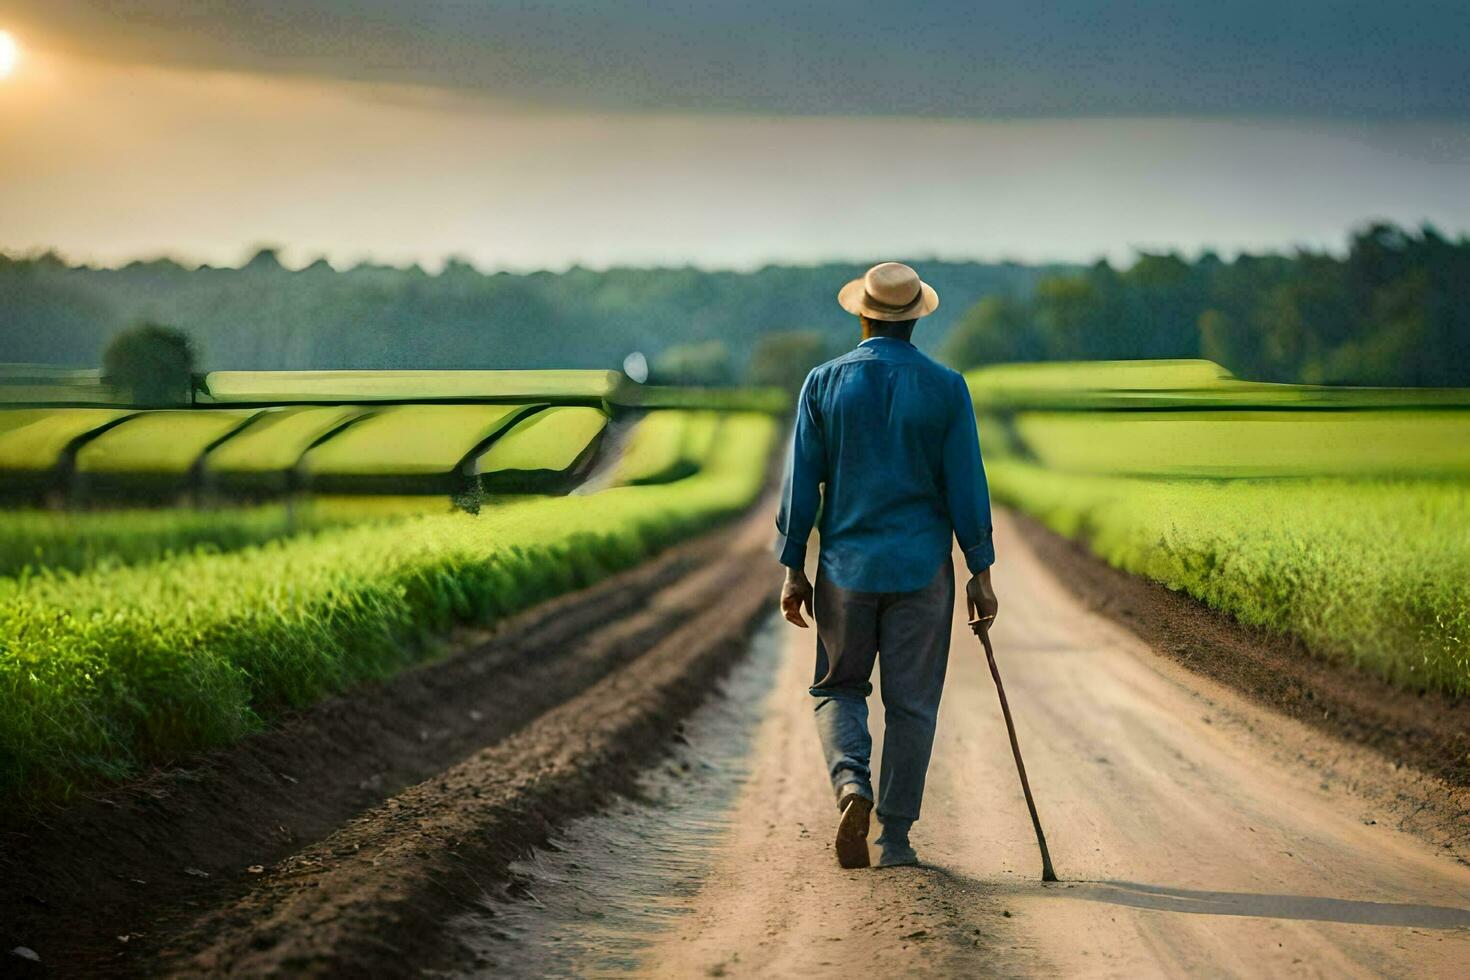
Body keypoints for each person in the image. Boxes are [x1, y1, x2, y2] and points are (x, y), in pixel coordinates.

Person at [775, 261, 999, 869]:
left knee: (837, 686)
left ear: (862, 313)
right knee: (913, 703)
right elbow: (967, 485)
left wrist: (793, 564)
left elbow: (802, 484)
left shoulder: (822, 383)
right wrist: (980, 568)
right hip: (923, 570)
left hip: (846, 569)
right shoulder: (948, 387)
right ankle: (896, 839)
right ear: (917, 319)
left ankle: (852, 785)